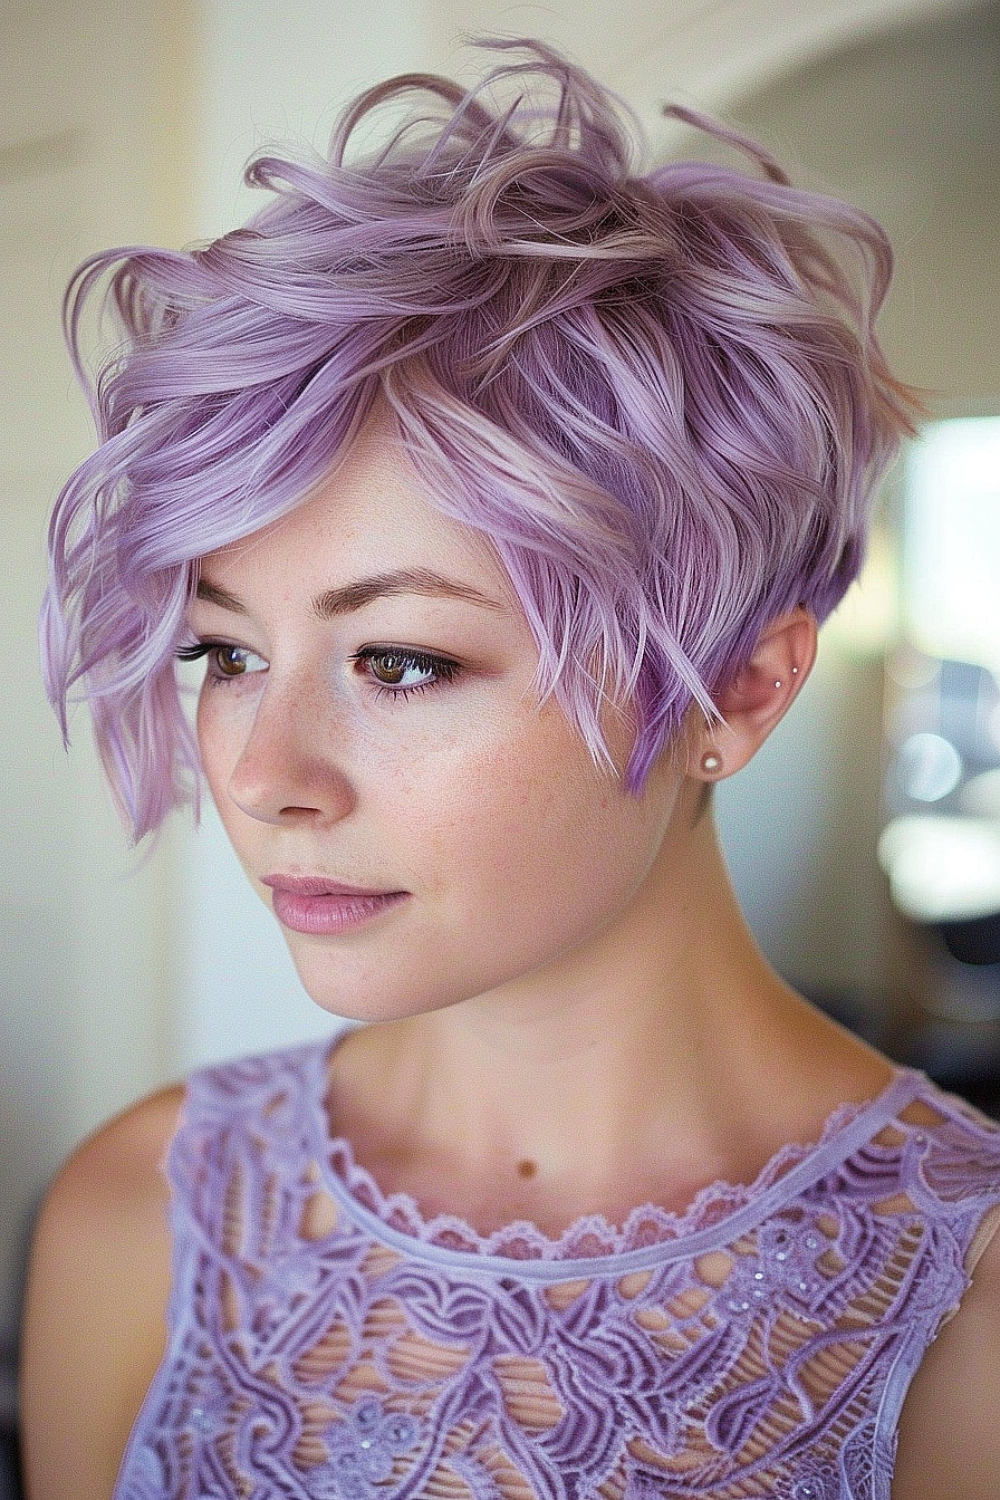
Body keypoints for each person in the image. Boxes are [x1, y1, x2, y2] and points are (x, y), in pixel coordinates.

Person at [20, 36, 1000, 1500]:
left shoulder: (965, 1304)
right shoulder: (139, 1212)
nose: (265, 773)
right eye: (222, 653)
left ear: (739, 686)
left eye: (403, 660)